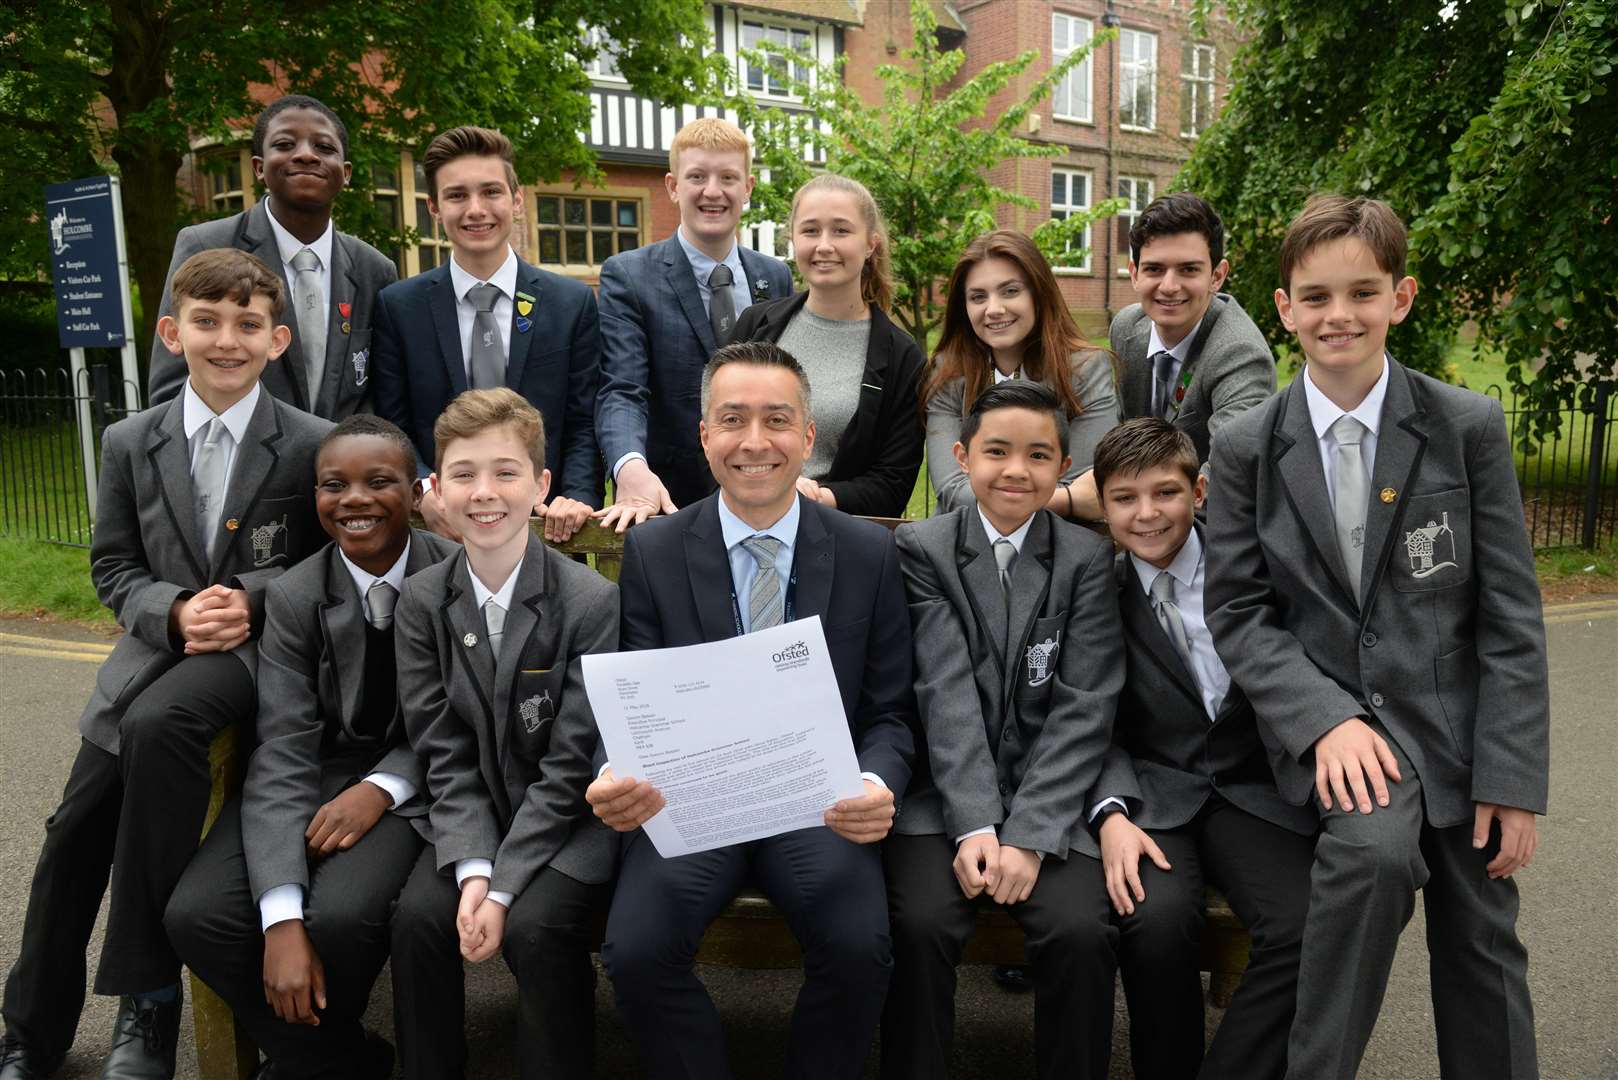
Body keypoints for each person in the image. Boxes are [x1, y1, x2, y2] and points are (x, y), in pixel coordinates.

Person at [1205, 194, 1549, 1080]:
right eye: (1315, 297)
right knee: (1371, 855)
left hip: (1458, 733)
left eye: (1363, 292)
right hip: (1340, 737)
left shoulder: (1466, 428)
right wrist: (1323, 719)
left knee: (1482, 934)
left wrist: (1511, 779)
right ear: (1283, 308)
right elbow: (1239, 611)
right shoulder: (1247, 445)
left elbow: (1509, 617)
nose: (1339, 315)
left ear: (1401, 297)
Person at [0, 249, 329, 1080]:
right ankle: (30, 1032)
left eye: (248, 325)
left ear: (278, 339)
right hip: (152, 655)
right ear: (172, 331)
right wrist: (172, 610)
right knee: (73, 832)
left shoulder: (310, 444)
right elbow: (112, 565)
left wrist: (250, 596)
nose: (228, 341)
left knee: (161, 726)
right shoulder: (130, 440)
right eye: (208, 322)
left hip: (256, 660)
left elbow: (329, 554)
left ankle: (146, 1007)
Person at [587, 341, 916, 1080]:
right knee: (635, 953)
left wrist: (876, 780)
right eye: (732, 419)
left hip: (818, 801)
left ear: (808, 437)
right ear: (704, 436)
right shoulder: (657, 551)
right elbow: (632, 696)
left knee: (862, 949)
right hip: (693, 799)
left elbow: (891, 708)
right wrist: (616, 773)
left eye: (777, 419)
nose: (754, 441)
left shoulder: (867, 553)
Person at [165, 415, 454, 1079]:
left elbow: (461, 719)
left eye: (379, 481)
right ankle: (338, 1061)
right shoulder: (296, 596)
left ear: (416, 493)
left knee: (345, 915)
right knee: (197, 914)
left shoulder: (453, 577)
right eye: (334, 485)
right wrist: (280, 921)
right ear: (315, 498)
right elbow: (284, 746)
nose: (354, 499)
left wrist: (381, 788)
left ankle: (302, 1063)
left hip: (417, 779)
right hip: (309, 772)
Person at [882, 381, 1125, 1080]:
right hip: (947, 797)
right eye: (996, 451)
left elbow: (1085, 704)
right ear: (961, 458)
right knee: (922, 922)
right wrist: (978, 826)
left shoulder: (1085, 561)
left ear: (1063, 468)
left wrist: (1030, 831)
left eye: (1038, 454)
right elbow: (944, 688)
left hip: (1053, 797)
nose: (1016, 470)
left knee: (1081, 931)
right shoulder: (923, 549)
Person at [387, 388, 619, 1080]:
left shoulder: (590, 603)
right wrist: (475, 869)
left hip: (570, 823)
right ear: (435, 489)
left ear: (542, 486)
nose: (484, 493)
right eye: (462, 475)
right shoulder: (423, 603)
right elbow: (442, 751)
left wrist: (505, 887)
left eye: (506, 472)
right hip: (472, 818)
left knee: (537, 927)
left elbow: (573, 763)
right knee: (418, 920)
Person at [1089, 416, 1315, 1080]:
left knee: (1307, 927)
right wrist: (1111, 813)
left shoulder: (1258, 570)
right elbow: (1086, 720)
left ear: (1201, 489)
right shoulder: (1095, 593)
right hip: (1155, 793)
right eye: (1125, 498)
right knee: (1153, 925)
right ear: (1102, 506)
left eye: (1165, 492)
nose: (1147, 513)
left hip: (1254, 789)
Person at [371, 126, 601, 543]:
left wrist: (577, 496)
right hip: (439, 530)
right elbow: (392, 420)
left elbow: (583, 418)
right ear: (434, 208)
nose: (476, 209)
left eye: (491, 192)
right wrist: (423, 490)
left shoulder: (572, 303)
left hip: (545, 526)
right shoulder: (398, 307)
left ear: (516, 200)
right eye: (457, 196)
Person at [593, 118, 794, 528]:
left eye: (728, 177)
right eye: (697, 176)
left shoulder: (775, 277)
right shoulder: (628, 275)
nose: (713, 191)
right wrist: (630, 468)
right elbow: (623, 389)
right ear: (672, 186)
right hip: (666, 502)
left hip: (760, 497)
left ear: (748, 188)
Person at [148, 94, 399, 419]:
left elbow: (382, 393)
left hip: (342, 464)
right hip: (242, 464)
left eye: (324, 148)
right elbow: (170, 388)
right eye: (284, 145)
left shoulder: (374, 269)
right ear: (259, 167)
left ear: (346, 172)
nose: (307, 155)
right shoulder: (205, 245)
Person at [730, 173, 924, 517]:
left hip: (838, 541)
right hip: (741, 525)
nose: (824, 245)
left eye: (841, 230)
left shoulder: (901, 356)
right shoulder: (755, 327)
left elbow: (893, 483)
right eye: (810, 230)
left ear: (870, 244)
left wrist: (817, 497)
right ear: (793, 239)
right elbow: (714, 432)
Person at [922, 230, 1119, 521]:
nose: (994, 309)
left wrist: (1067, 497)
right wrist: (1064, 499)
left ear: (1038, 294)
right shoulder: (948, 372)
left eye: (1010, 291)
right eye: (978, 297)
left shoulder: (1085, 369)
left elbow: (1086, 485)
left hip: (1054, 548)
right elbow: (952, 490)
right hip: (962, 546)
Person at [1109, 193, 1275, 460]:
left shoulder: (1240, 355)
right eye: (1154, 269)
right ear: (1134, 274)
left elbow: (1233, 469)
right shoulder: (1126, 327)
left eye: (1188, 270)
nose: (1169, 287)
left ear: (1217, 276)